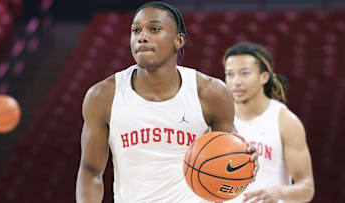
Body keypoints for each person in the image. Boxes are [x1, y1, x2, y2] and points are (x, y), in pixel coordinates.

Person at [76, 2, 258, 203]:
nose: (142, 37)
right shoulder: (102, 96)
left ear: (178, 40)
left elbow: (230, 164)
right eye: (136, 30)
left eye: (154, 29)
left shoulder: (211, 93)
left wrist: (246, 164)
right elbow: (91, 171)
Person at [222, 42, 315, 203]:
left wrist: (280, 192)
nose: (236, 82)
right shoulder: (219, 117)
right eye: (230, 74)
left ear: (264, 77)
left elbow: (307, 189)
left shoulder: (285, 120)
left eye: (245, 73)